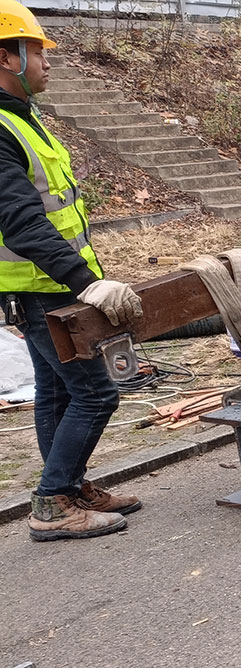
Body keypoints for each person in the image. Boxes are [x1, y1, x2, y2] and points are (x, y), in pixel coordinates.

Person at [1, 0, 144, 542]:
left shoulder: (21, 118)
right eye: (37, 51)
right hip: (44, 289)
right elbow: (22, 224)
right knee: (97, 394)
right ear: (5, 57)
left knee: (56, 393)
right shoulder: (2, 129)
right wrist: (87, 282)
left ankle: (68, 489)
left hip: (41, 286)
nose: (47, 61)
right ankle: (52, 502)